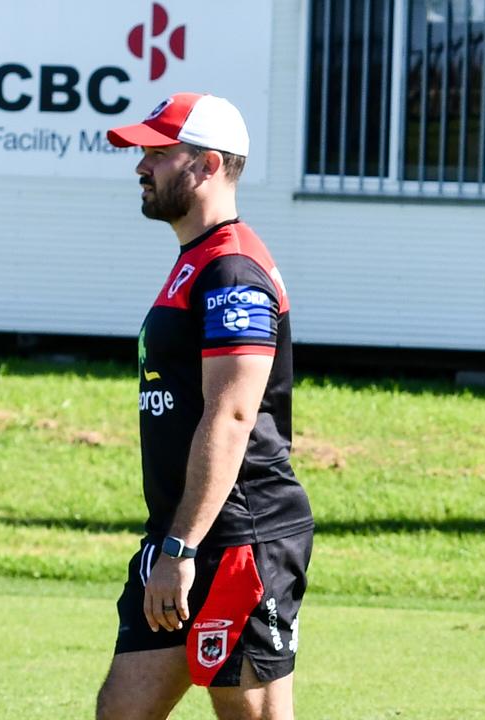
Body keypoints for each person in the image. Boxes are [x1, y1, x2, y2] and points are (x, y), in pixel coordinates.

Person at [95, 93, 314, 720]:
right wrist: (172, 544)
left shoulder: (232, 270)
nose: (142, 165)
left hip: (236, 538)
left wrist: (183, 549)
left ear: (208, 164)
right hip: (181, 540)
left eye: (159, 153)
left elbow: (233, 416)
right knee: (122, 709)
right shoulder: (196, 262)